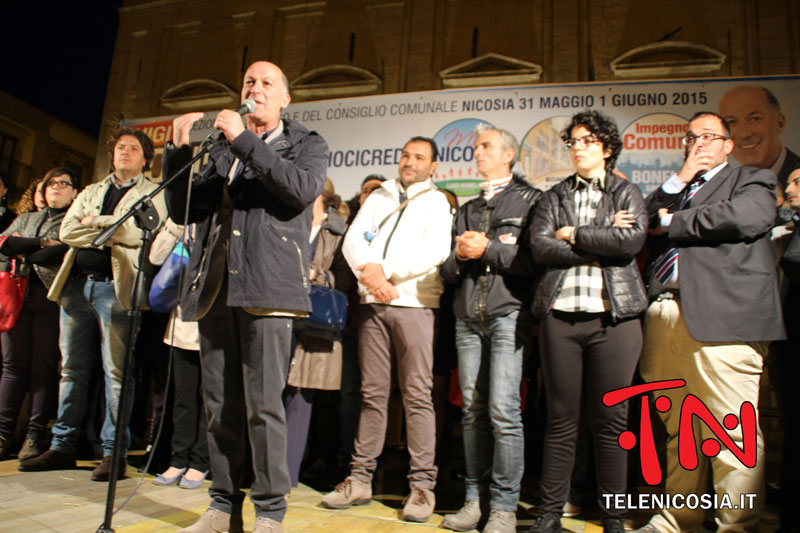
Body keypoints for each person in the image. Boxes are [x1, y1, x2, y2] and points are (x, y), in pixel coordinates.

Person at [163, 60, 327, 533]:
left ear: (285, 98)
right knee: (219, 406)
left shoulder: (306, 144)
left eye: (266, 83)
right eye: (248, 82)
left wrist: (243, 140)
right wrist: (176, 153)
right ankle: (221, 506)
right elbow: (184, 207)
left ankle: (271, 512)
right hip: (217, 288)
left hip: (269, 290)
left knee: (263, 406)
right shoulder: (219, 148)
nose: (255, 89)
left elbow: (297, 190)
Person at [636, 111, 785, 533]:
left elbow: (748, 218)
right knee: (679, 426)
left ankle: (736, 525)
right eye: (691, 137)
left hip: (724, 317)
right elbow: (647, 219)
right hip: (665, 313)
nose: (698, 142)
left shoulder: (750, 179)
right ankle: (676, 519)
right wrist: (681, 178)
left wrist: (674, 222)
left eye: (708, 136)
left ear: (728, 145)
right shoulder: (677, 187)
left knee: (731, 431)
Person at [19, 128, 167, 481]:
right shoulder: (92, 190)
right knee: (72, 370)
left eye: (133, 149)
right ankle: (62, 446)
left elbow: (138, 233)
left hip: (115, 291)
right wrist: (108, 228)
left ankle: (113, 452)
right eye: (120, 148)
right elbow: (68, 230)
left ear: (146, 159)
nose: (124, 153)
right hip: (75, 289)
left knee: (117, 374)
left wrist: (95, 222)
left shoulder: (153, 192)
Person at [528, 110, 648, 533]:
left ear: (607, 148)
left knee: (612, 422)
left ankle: (613, 519)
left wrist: (574, 233)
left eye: (588, 141)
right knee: (560, 421)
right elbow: (541, 249)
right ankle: (549, 516)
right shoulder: (552, 196)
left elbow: (630, 241)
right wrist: (602, 236)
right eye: (573, 141)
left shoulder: (627, 191)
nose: (578, 148)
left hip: (614, 321)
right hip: (561, 319)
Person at [322, 136, 453, 523]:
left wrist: (386, 272)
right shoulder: (379, 196)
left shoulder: (437, 202)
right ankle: (360, 478)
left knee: (416, 396)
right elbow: (352, 242)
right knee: (372, 394)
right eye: (406, 155)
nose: (409, 162)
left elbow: (436, 250)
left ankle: (421, 486)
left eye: (419, 157)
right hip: (373, 303)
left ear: (433, 167)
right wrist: (373, 279)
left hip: (414, 304)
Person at [439, 124, 541, 533]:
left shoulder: (531, 200)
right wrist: (461, 256)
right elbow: (447, 270)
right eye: (476, 148)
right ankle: (473, 501)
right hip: (467, 317)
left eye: (486, 147)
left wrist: (490, 249)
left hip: (507, 314)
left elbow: (535, 260)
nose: (477, 153)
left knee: (503, 411)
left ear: (507, 156)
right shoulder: (466, 206)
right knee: (472, 413)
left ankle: (504, 507)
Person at [0, 168, 77, 460]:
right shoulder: (25, 218)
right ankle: (3, 433)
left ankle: (34, 435)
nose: (56, 187)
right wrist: (42, 243)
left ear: (74, 193)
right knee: (12, 367)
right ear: (42, 191)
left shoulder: (72, 221)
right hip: (17, 297)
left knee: (43, 368)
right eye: (50, 184)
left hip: (51, 298)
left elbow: (60, 253)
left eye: (64, 184)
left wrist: (27, 248)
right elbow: (5, 245)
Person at [283, 177, 353, 488]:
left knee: (300, 395)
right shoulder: (284, 222)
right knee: (271, 394)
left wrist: (318, 274)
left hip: (314, 323)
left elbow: (347, 278)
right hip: (279, 316)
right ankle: (260, 468)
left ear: (323, 199)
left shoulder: (339, 231)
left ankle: (285, 475)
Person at [149, 219, 209, 490]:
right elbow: (156, 257)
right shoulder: (187, 222)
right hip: (184, 320)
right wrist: (175, 225)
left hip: (215, 322)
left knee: (210, 399)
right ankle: (179, 457)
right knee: (183, 397)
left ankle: (200, 461)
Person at [718, 84, 800, 188]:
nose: (744, 134)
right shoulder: (727, 185)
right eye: (732, 122)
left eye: (755, 119)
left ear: (780, 123)